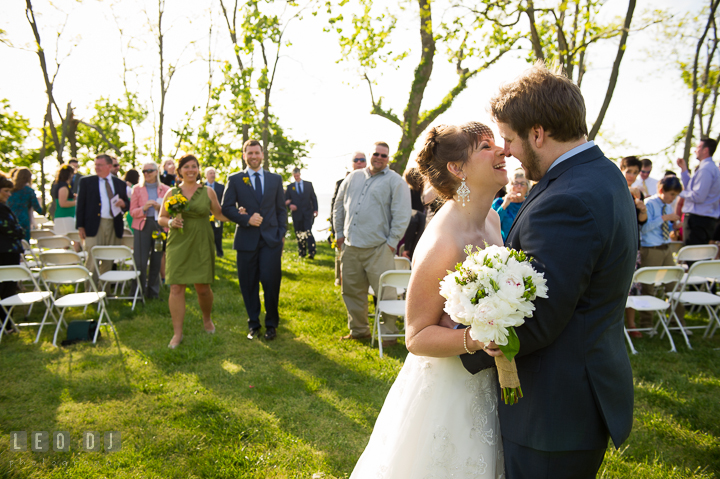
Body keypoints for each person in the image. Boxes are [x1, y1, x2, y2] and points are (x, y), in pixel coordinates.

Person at [461, 63, 636, 477]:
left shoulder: (567, 200)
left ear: (537, 133)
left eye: (509, 138)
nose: (507, 151)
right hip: (579, 391)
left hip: (552, 412)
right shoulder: (603, 174)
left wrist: (463, 345)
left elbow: (538, 320)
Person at [350, 122, 506, 477]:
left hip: (488, 381)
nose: (501, 151)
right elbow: (416, 336)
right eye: (485, 147)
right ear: (457, 168)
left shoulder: (493, 219)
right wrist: (477, 338)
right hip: (448, 391)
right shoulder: (442, 242)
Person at [333, 141, 411, 345]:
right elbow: (338, 207)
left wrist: (391, 243)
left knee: (387, 294)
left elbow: (402, 215)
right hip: (350, 247)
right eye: (376, 154)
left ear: (388, 159)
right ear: (370, 154)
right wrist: (339, 235)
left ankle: (389, 335)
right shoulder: (353, 177)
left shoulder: (396, 181)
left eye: (384, 156)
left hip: (379, 249)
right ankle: (359, 330)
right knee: (351, 291)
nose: (379, 158)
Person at [159, 154, 230, 348]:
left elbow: (220, 214)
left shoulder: (208, 192)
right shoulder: (171, 193)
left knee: (203, 288)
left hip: (201, 241)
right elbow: (161, 218)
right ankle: (177, 333)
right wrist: (171, 222)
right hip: (178, 241)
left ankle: (207, 319)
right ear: (179, 171)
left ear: (198, 170)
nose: (191, 170)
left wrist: (240, 216)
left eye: (194, 166)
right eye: (186, 167)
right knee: (176, 287)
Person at [221, 140, 287, 341]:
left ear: (262, 154)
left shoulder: (275, 179)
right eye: (249, 153)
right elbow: (227, 208)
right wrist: (246, 219)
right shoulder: (235, 179)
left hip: (271, 241)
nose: (253, 156)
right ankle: (253, 324)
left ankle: (271, 325)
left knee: (270, 281)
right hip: (246, 240)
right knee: (248, 283)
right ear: (244, 155)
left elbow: (280, 209)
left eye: (257, 152)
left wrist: (281, 234)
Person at [639, 176, 685, 333]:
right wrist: (664, 218)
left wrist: (675, 225)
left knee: (673, 285)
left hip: (666, 248)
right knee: (648, 287)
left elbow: (665, 226)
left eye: (675, 195)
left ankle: (677, 323)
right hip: (651, 249)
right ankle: (647, 324)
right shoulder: (649, 203)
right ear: (661, 190)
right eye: (671, 194)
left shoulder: (667, 205)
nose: (674, 198)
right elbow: (644, 228)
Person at [75, 154, 130, 281]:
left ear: (109, 166)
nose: (97, 168)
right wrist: (80, 226)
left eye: (100, 165)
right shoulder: (86, 182)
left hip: (113, 225)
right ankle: (91, 292)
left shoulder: (120, 183)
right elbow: (80, 205)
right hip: (93, 226)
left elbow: (127, 204)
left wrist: (124, 204)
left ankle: (105, 291)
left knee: (109, 259)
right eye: (95, 165)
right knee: (92, 259)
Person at [130, 162, 170, 300]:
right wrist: (143, 209)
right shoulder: (136, 189)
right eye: (144, 171)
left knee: (156, 260)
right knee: (140, 261)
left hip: (159, 227)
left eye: (150, 171)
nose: (147, 173)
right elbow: (132, 212)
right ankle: (137, 291)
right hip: (142, 226)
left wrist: (161, 208)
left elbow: (171, 211)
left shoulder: (166, 189)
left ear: (157, 172)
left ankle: (153, 293)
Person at [620, 156, 648, 332]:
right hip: (617, 243)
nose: (631, 175)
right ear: (622, 169)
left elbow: (642, 221)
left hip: (633, 243)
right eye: (629, 171)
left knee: (633, 285)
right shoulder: (615, 189)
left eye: (635, 172)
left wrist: (642, 208)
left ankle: (631, 323)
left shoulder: (639, 193)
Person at [330, 152, 366, 285]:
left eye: (362, 160)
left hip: (366, 234)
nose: (359, 162)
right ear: (351, 164)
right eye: (356, 160)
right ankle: (341, 280)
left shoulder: (373, 181)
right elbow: (335, 206)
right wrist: (336, 231)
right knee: (343, 259)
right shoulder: (341, 182)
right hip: (345, 230)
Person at [677, 138, 720, 245]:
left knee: (693, 257)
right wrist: (684, 170)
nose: (695, 150)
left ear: (705, 150)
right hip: (704, 220)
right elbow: (691, 190)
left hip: (698, 221)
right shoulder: (709, 167)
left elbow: (698, 196)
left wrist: (679, 192)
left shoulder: (706, 169)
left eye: (698, 147)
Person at [0, 172, 25, 306]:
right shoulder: (1, 209)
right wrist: (20, 231)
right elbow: (9, 229)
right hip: (6, 253)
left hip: (7, 251)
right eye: (6, 191)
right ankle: (6, 324)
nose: (9, 194)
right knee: (8, 289)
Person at [285, 167, 319, 259]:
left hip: (308, 212)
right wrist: (290, 205)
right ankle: (302, 252)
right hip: (296, 214)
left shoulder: (308, 185)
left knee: (308, 231)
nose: (296, 177)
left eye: (297, 175)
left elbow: (313, 198)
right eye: (294, 176)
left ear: (300, 174)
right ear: (293, 175)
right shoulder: (290, 187)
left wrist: (316, 210)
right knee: (299, 232)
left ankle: (312, 252)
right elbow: (286, 200)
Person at [491, 168, 530, 240]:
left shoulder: (529, 203)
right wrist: (504, 205)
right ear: (510, 186)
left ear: (527, 187)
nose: (519, 187)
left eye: (522, 184)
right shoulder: (499, 202)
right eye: (515, 183)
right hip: (505, 245)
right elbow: (491, 224)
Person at [6, 167, 43, 242]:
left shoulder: (10, 190)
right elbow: (38, 209)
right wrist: (40, 202)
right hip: (24, 220)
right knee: (24, 245)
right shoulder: (29, 191)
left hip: (10, 219)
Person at [205, 167, 225, 258]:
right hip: (205, 215)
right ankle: (207, 253)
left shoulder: (221, 187)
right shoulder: (201, 187)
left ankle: (219, 252)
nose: (212, 175)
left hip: (217, 214)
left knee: (218, 234)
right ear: (206, 175)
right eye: (210, 173)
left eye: (213, 173)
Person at [51, 164, 76, 235]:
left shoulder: (64, 185)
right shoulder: (63, 187)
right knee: (69, 239)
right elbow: (63, 203)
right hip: (64, 217)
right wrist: (77, 202)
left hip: (67, 216)